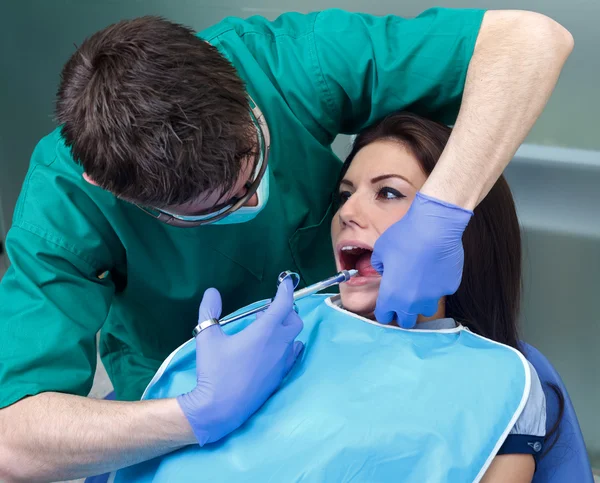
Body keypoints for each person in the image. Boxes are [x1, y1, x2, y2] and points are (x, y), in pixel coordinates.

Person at [0, 9, 572, 482]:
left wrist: (444, 210)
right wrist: (193, 414)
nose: (253, 203)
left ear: (237, 84)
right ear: (112, 189)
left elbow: (532, 40)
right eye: (215, 209)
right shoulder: (65, 201)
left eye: (254, 168)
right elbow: (11, 442)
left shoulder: (284, 63)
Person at [111, 111, 553, 482]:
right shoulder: (272, 333)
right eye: (345, 194)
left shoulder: (499, 382)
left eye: (389, 192)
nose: (347, 212)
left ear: (456, 227)